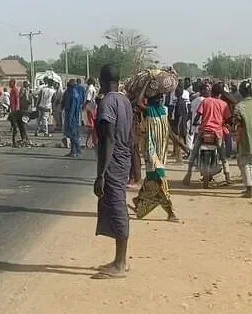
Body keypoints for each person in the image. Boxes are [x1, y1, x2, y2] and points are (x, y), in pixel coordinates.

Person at [93, 64, 133, 279]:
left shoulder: (108, 102)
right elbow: (131, 136)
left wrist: (101, 174)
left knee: (117, 208)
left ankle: (120, 264)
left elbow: (108, 139)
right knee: (118, 205)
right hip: (124, 159)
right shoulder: (125, 101)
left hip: (113, 162)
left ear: (101, 80)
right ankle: (120, 259)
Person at [131, 94, 180, 222]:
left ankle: (139, 200)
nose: (161, 100)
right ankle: (171, 212)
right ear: (151, 100)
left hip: (161, 152)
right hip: (150, 151)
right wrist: (145, 86)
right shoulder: (148, 110)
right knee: (160, 178)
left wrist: (181, 144)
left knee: (153, 180)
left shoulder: (163, 111)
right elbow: (138, 102)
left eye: (161, 97)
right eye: (158, 98)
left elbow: (169, 130)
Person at [183, 83, 231, 186]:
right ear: (220, 94)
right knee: (223, 156)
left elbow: (198, 115)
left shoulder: (205, 101)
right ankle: (227, 177)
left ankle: (189, 172)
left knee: (194, 152)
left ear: (212, 92)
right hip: (217, 133)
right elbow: (228, 119)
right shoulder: (224, 104)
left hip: (204, 131)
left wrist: (195, 123)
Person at [63, 79, 83, 157]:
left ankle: (78, 150)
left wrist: (70, 118)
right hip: (75, 115)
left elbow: (72, 107)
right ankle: (73, 151)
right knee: (73, 134)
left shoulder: (70, 93)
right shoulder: (76, 93)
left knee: (73, 134)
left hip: (71, 116)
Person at [7, 79, 28, 147]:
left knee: (17, 127)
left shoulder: (15, 90)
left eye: (10, 83)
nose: (9, 84)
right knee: (17, 126)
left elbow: (17, 100)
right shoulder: (12, 90)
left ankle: (18, 141)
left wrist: (16, 111)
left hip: (16, 111)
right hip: (13, 110)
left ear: (13, 83)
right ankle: (21, 140)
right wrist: (9, 108)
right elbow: (11, 101)